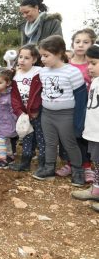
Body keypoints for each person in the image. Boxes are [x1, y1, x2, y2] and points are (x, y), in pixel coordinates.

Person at [32, 35, 86, 187]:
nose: (42, 59)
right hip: (47, 114)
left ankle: (77, 171)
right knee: (50, 142)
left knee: (70, 144)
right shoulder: (43, 72)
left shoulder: (72, 72)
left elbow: (81, 98)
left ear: (59, 53)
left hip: (66, 115)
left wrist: (79, 121)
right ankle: (49, 168)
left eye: (46, 55)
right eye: (41, 55)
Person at [56, 29, 97, 182]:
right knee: (67, 136)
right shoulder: (66, 64)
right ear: (72, 43)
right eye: (77, 41)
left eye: (86, 42)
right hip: (67, 107)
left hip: (87, 108)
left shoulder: (92, 65)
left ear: (92, 44)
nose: (81, 45)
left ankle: (86, 166)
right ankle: (70, 163)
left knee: (83, 137)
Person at [71, 44, 99, 212]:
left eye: (94, 63)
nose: (89, 67)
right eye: (88, 63)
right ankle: (96, 190)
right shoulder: (95, 81)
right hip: (95, 132)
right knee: (97, 161)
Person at [10, 44, 45, 172]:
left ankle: (43, 165)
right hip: (24, 114)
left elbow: (40, 94)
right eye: (20, 57)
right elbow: (14, 97)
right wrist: (19, 112)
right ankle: (25, 163)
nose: (22, 60)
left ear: (34, 60)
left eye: (26, 58)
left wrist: (35, 110)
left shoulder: (39, 72)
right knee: (26, 138)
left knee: (41, 139)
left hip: (38, 113)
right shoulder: (15, 75)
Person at [0, 68, 18, 169]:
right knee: (5, 140)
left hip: (7, 122)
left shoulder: (10, 95)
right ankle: (10, 155)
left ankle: (3, 159)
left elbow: (13, 109)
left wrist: (15, 120)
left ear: (8, 83)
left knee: (0, 139)